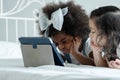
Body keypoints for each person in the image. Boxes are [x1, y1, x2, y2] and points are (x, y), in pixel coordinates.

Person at [36, 1, 94, 65]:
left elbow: (95, 63)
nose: (61, 47)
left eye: (64, 41)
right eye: (57, 44)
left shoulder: (88, 44)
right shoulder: (65, 50)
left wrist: (75, 53)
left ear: (77, 34)